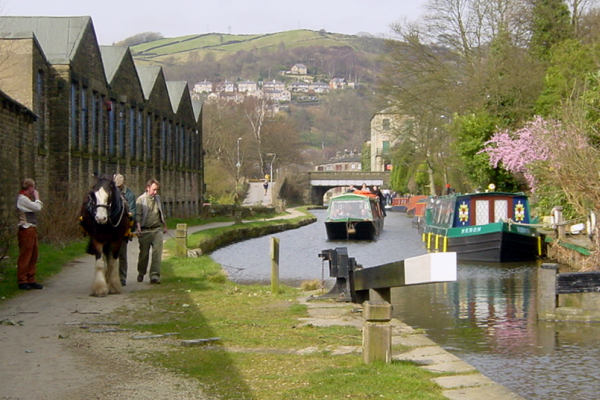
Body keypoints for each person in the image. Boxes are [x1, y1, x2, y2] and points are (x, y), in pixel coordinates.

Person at [135, 178, 167, 284]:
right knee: (144, 254)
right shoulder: (140, 200)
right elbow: (138, 216)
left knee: (157, 253)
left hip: (157, 230)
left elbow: (161, 213)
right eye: (154, 189)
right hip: (145, 231)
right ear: (147, 188)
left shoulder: (158, 198)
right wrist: (138, 227)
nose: (155, 192)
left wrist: (165, 226)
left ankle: (154, 275)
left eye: (157, 190)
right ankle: (141, 272)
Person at [16, 178, 44, 290]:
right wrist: (37, 198)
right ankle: (22, 280)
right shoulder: (22, 199)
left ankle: (31, 278)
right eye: (33, 187)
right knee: (25, 255)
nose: (34, 190)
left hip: (32, 229)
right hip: (26, 228)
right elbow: (37, 207)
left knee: (33, 255)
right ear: (30, 188)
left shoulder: (27, 198)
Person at [114, 174, 136, 287]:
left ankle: (122, 278)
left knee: (122, 254)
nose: (117, 188)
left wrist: (129, 216)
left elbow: (133, 211)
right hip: (111, 229)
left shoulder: (129, 194)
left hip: (123, 229)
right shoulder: (110, 193)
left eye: (119, 186)